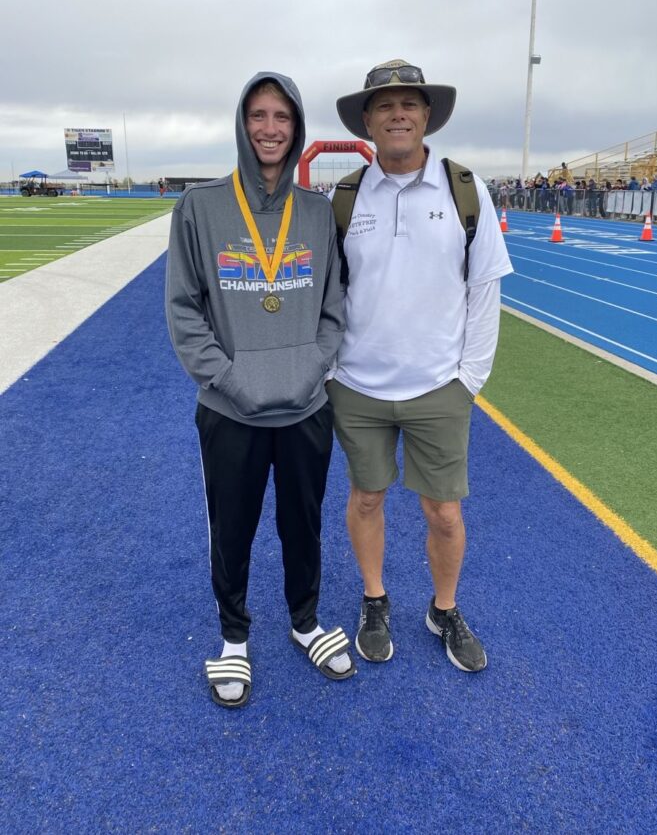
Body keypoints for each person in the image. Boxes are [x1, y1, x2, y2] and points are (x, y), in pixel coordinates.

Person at [165, 72, 355, 708]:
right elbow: (184, 309)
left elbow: (333, 306)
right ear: (242, 124)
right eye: (258, 116)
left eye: (282, 117)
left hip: (305, 404)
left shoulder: (317, 213)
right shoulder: (201, 207)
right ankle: (234, 638)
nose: (270, 128)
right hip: (229, 408)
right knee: (233, 525)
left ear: (296, 127)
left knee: (302, 524)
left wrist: (313, 369)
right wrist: (227, 378)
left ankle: (304, 623)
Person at [327, 59, 513, 673]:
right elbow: (330, 292)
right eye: (385, 106)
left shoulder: (466, 189)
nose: (398, 113)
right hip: (357, 385)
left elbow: (485, 288)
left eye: (409, 103)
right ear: (368, 122)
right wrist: (331, 371)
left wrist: (469, 381)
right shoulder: (346, 197)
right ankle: (375, 599)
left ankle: (444, 608)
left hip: (439, 385)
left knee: (445, 512)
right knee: (366, 498)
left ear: (427, 115)